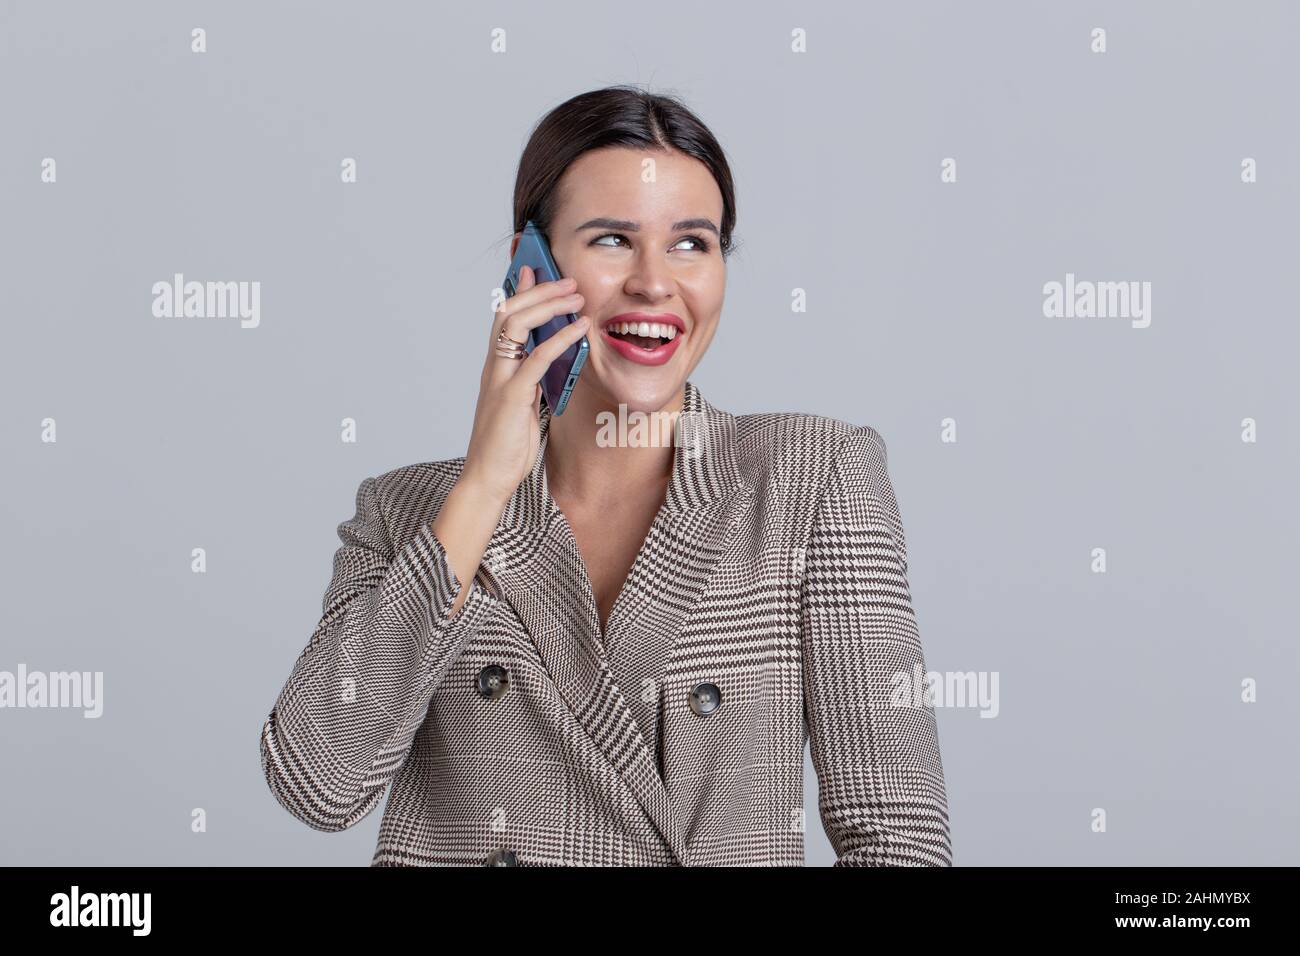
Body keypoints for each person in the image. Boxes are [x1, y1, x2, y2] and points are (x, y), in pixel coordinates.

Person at [260, 85, 952, 866]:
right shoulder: (408, 511)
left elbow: (900, 840)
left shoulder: (811, 478)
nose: (656, 283)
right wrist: (483, 489)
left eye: (693, 242)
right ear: (532, 268)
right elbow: (316, 783)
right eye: (613, 239)